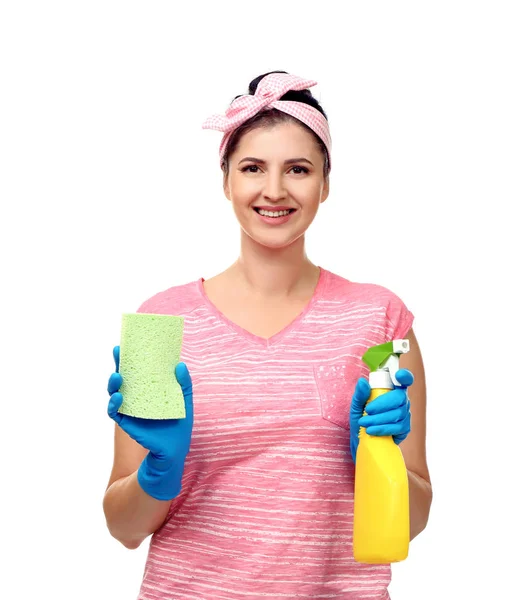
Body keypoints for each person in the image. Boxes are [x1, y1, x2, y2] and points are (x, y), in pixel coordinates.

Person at [103, 71, 432, 599]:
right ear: (226, 181)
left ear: (325, 184)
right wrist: (157, 473)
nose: (274, 190)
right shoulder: (159, 324)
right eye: (253, 167)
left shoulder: (381, 321)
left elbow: (412, 523)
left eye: (297, 169)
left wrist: (379, 460)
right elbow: (124, 529)